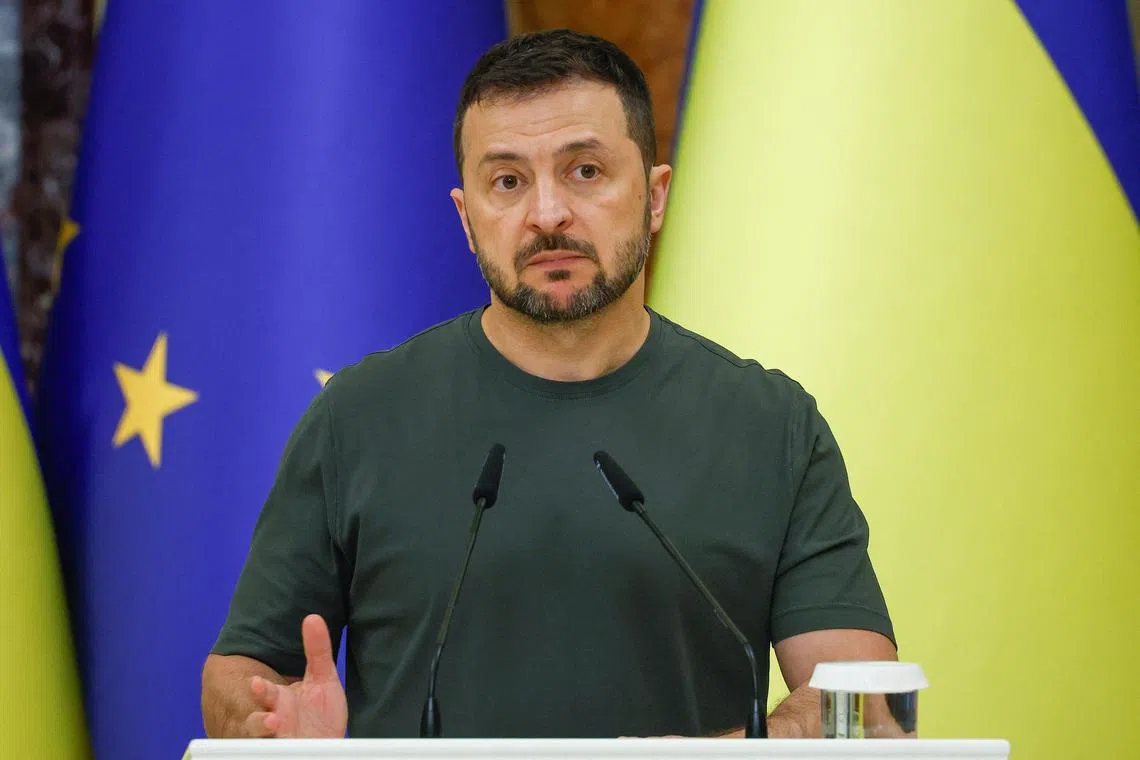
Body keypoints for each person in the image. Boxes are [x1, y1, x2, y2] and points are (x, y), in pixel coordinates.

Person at [201, 28, 897, 740]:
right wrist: (265, 727)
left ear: (656, 196)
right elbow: (242, 673)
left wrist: (734, 753)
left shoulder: (770, 425)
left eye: (585, 171)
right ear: (466, 219)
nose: (547, 214)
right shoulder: (357, 417)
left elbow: (864, 704)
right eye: (507, 182)